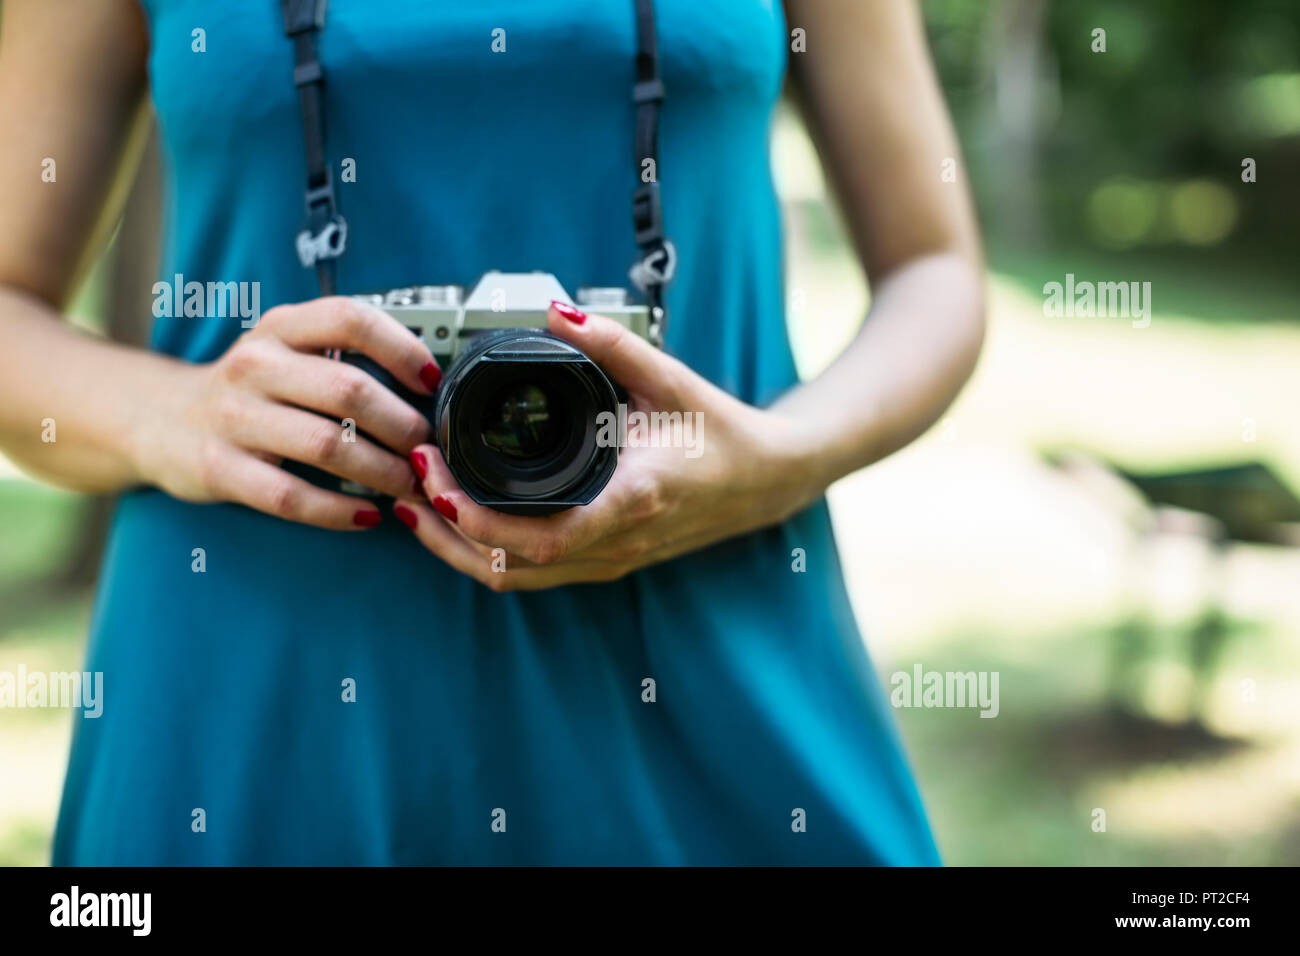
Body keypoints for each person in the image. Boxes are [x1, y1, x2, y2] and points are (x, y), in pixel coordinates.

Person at [0, 0, 983, 864]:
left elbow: (933, 267)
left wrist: (777, 461)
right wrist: (171, 415)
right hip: (254, 689)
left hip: (713, 629)